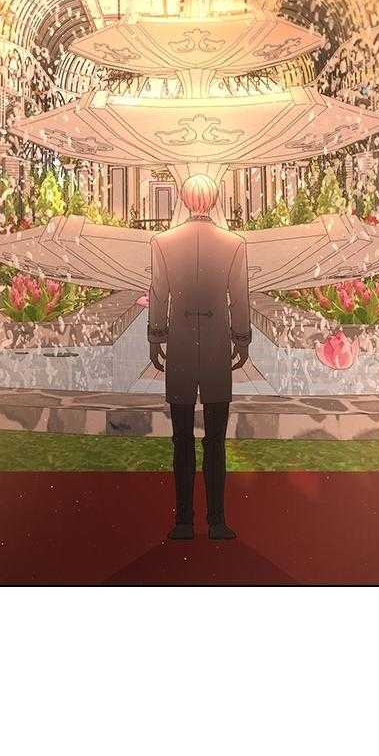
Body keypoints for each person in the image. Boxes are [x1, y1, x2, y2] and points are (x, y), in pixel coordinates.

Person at [147, 174, 252, 541]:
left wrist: (155, 336)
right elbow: (240, 296)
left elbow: (158, 293)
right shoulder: (234, 244)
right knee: (216, 439)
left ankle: (184, 522)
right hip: (216, 345)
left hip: (178, 343)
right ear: (215, 199)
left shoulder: (162, 242)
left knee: (181, 438)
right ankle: (217, 521)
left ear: (182, 199)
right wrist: (242, 339)